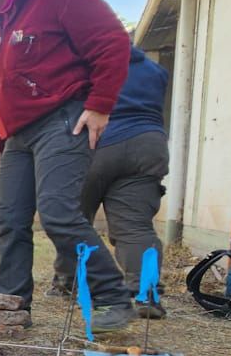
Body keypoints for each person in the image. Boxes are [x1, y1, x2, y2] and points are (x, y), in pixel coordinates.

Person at [0, 0, 136, 331]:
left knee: (57, 213)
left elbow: (111, 43)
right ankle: (12, 306)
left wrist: (100, 104)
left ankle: (114, 297)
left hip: (62, 119)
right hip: (17, 136)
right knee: (10, 220)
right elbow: (0, 86)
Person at [49, 46, 170, 319]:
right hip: (147, 144)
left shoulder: (84, 58)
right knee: (135, 227)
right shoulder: (156, 71)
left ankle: (68, 283)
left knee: (72, 219)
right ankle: (146, 293)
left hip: (94, 140)